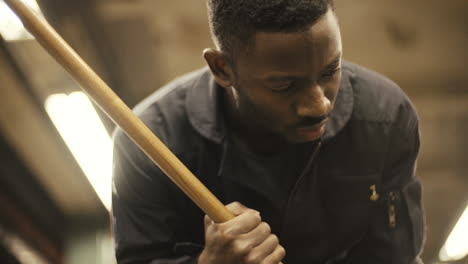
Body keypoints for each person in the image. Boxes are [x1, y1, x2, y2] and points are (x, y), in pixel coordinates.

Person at [111, 0, 425, 263]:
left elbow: (396, 256)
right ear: (222, 69)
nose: (318, 105)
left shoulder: (386, 118)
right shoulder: (149, 143)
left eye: (331, 71)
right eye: (285, 85)